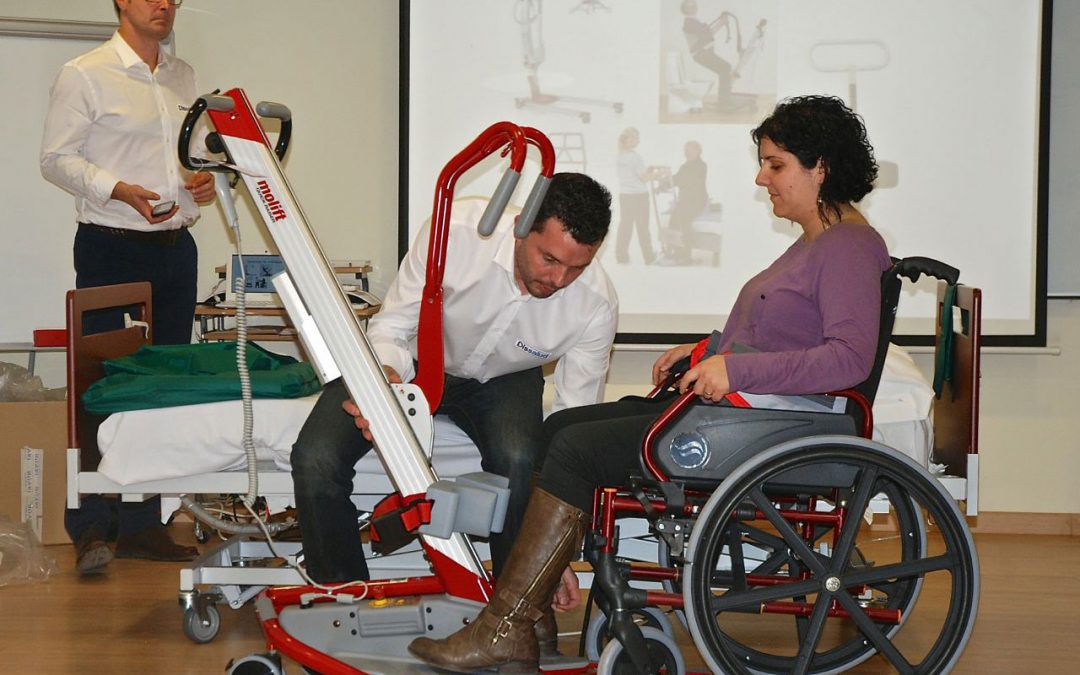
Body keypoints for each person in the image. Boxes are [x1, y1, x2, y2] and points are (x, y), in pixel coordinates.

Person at [407, 95, 891, 672]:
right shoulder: (818, 242)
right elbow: (783, 334)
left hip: (764, 427)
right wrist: (708, 350)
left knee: (576, 449)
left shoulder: (850, 246)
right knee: (558, 425)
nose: (761, 177)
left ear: (822, 167)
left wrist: (733, 368)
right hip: (747, 411)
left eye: (776, 164)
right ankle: (529, 617)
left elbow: (847, 359)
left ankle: (504, 627)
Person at [290, 172, 617, 651]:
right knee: (315, 457)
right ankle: (343, 608)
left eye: (576, 268)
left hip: (505, 378)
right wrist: (383, 383)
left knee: (522, 461)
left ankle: (515, 621)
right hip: (415, 358)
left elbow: (573, 428)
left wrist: (556, 553)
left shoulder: (595, 304)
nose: (557, 280)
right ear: (522, 228)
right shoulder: (456, 231)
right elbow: (394, 326)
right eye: (549, 260)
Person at [40, 0, 216, 574]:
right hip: (110, 246)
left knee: (162, 387)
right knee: (103, 384)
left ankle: (144, 525)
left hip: (175, 248)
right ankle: (91, 527)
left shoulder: (184, 76)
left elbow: (187, 158)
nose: (164, 4)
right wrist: (117, 187)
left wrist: (199, 183)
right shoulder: (85, 73)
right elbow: (55, 159)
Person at [613, 127, 656, 265]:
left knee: (626, 225)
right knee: (643, 227)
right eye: (636, 137)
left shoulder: (620, 156)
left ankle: (621, 256)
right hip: (639, 196)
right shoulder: (635, 157)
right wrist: (659, 174)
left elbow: (633, 174)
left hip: (625, 196)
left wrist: (646, 171)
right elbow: (644, 178)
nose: (638, 140)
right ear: (629, 139)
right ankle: (649, 257)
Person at [667, 139, 709, 264]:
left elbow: (689, 181)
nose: (687, 153)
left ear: (697, 151)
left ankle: (686, 255)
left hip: (696, 202)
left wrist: (672, 179)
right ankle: (677, 251)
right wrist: (663, 184)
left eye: (690, 150)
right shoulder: (685, 166)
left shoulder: (701, 166)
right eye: (686, 151)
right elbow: (675, 179)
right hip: (685, 202)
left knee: (683, 220)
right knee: (673, 221)